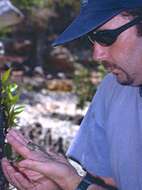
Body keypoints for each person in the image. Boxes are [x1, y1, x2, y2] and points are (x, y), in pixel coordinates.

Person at [2, 0, 142, 189]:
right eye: (92, 39)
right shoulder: (113, 88)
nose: (97, 55)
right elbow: (107, 181)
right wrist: (60, 185)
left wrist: (73, 184)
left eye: (106, 37)